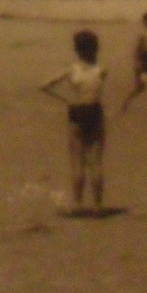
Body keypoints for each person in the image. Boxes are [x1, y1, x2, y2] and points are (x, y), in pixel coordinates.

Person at [40, 29, 108, 214]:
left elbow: (44, 85)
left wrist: (66, 99)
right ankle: (98, 206)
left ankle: (78, 204)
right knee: (95, 161)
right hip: (94, 111)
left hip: (77, 110)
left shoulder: (71, 70)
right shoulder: (101, 70)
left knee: (77, 161)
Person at [120, 11, 147, 111]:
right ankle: (127, 103)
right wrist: (138, 63)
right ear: (145, 22)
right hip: (145, 63)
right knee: (141, 87)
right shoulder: (143, 34)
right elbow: (137, 50)